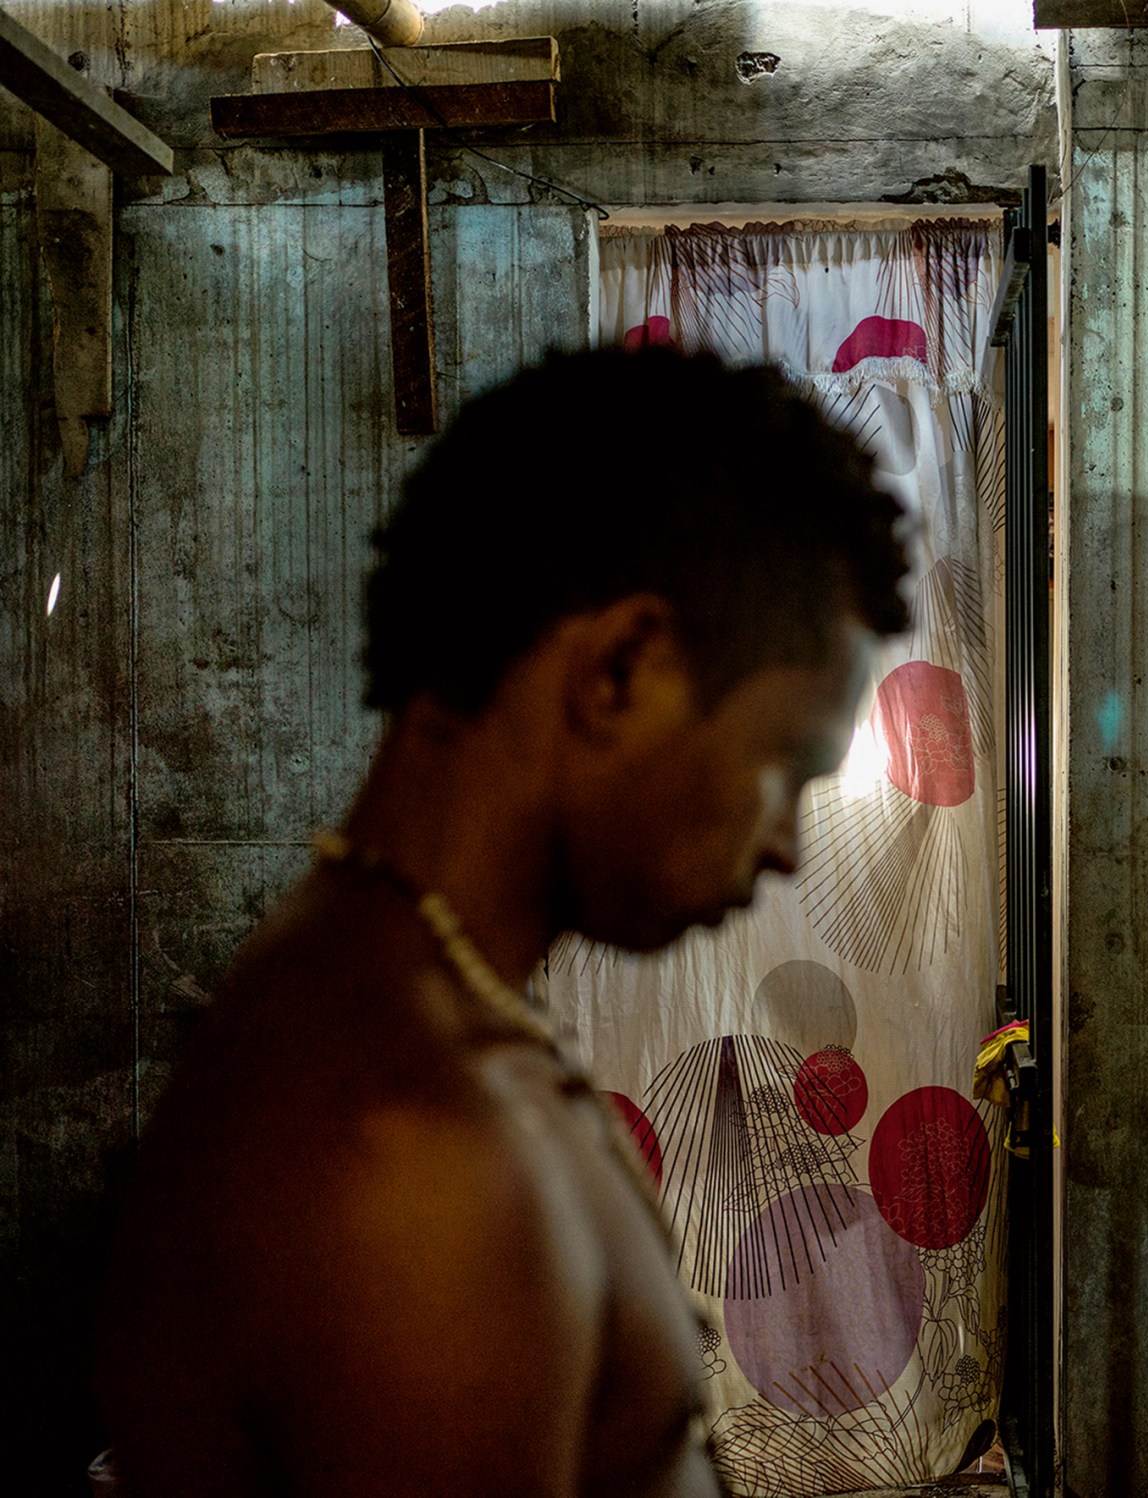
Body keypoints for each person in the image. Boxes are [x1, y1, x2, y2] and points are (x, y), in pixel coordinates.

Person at [97, 347, 911, 1497]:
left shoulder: (421, 999)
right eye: (782, 761)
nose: (785, 844)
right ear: (620, 667)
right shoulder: (413, 1155)